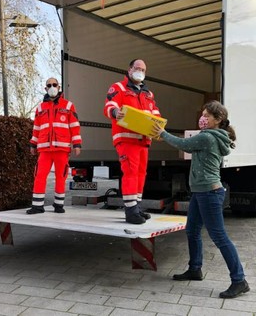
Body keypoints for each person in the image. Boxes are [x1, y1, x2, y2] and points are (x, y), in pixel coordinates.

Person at [152, 100, 249, 299]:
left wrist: (162, 133)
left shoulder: (208, 137)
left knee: (219, 236)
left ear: (218, 120)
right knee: (192, 229)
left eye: (206, 116)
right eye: (202, 114)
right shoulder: (211, 136)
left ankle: (239, 280)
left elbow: (183, 144)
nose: (202, 118)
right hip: (201, 191)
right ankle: (195, 269)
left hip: (209, 193)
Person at [103, 59, 161, 224]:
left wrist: (158, 123)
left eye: (143, 69)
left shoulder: (148, 94)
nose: (140, 72)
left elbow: (155, 113)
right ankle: (130, 211)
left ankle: (137, 208)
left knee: (141, 174)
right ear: (129, 70)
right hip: (126, 139)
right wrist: (115, 112)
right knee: (130, 173)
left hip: (143, 141)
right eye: (137, 68)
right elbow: (109, 105)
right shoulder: (118, 87)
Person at [27, 77, 82, 214]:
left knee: (60, 177)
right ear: (45, 89)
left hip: (62, 149)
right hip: (44, 149)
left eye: (54, 85)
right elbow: (37, 128)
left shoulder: (68, 105)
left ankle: (58, 205)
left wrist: (77, 144)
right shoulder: (40, 108)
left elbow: (74, 126)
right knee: (39, 175)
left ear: (59, 87)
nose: (52, 87)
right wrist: (33, 144)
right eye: (49, 85)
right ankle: (37, 206)